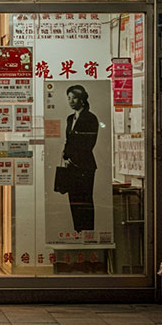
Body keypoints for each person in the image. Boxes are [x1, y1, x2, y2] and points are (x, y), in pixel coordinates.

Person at [62, 84, 99, 232]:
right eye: (69, 98)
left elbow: (89, 143)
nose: (70, 101)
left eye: (74, 98)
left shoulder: (90, 118)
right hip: (71, 165)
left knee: (85, 200)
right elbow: (68, 140)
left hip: (85, 165)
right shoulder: (70, 118)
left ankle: (88, 232)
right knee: (74, 200)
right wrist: (66, 156)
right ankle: (78, 231)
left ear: (82, 99)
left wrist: (74, 158)